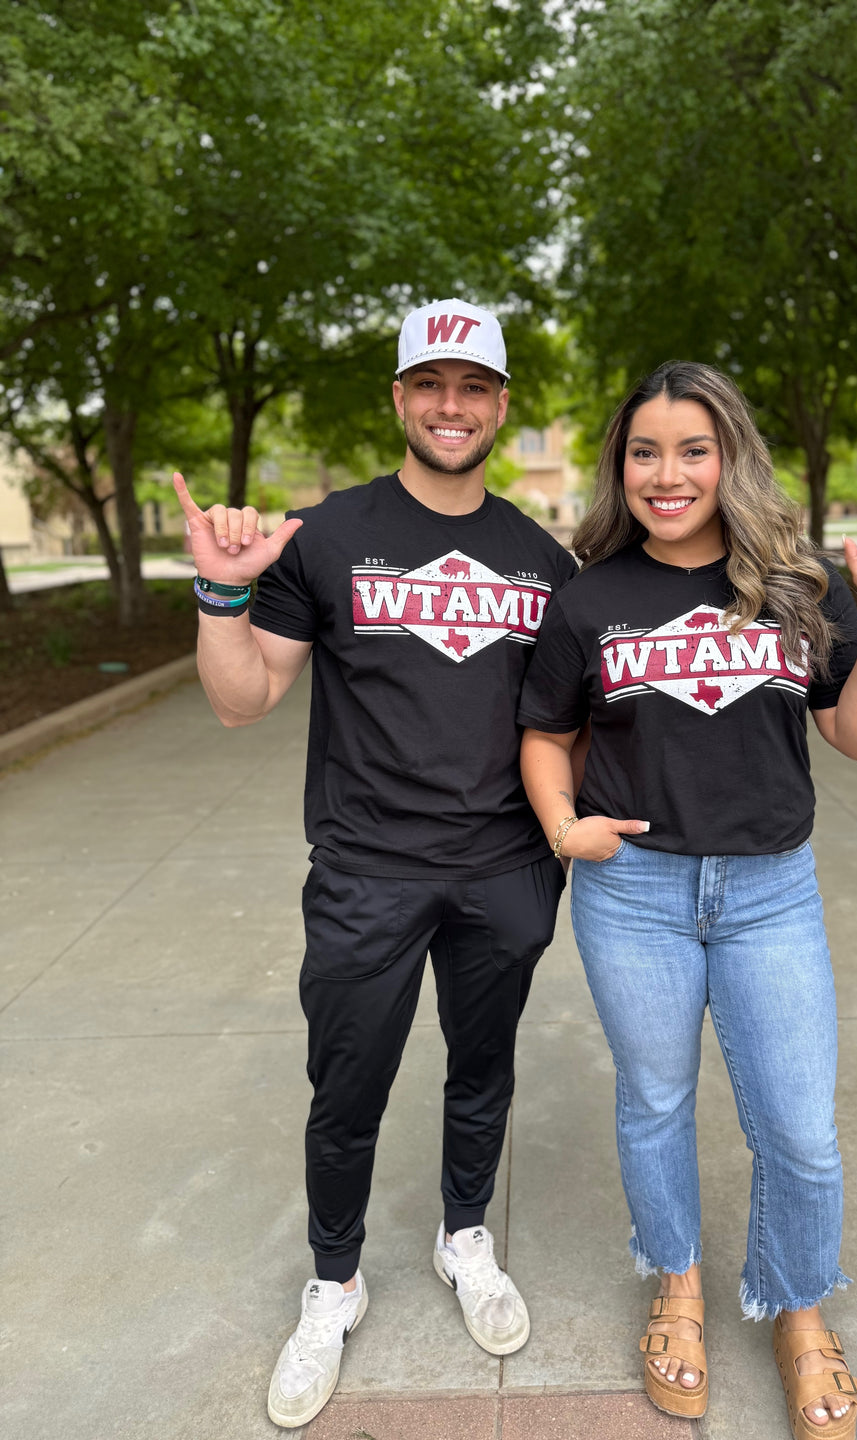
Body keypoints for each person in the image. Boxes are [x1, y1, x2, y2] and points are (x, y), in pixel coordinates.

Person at [517, 361, 857, 1434]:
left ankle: (796, 1305)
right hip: (634, 894)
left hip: (771, 895)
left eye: (693, 450)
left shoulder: (797, 586)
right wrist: (564, 827)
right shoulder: (590, 600)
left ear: (731, 460)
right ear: (620, 466)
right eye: (644, 452)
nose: (666, 474)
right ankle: (677, 1282)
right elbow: (546, 734)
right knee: (655, 1102)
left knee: (801, 1129)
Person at [172, 298, 578, 1430]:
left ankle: (464, 1239)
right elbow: (244, 699)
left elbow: (571, 721)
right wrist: (222, 591)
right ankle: (335, 1282)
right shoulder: (327, 536)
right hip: (367, 870)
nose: (452, 405)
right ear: (399, 398)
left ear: (501, 405)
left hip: (504, 867)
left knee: (483, 1070)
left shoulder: (544, 561)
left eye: (474, 386)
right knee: (347, 1087)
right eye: (431, 383)